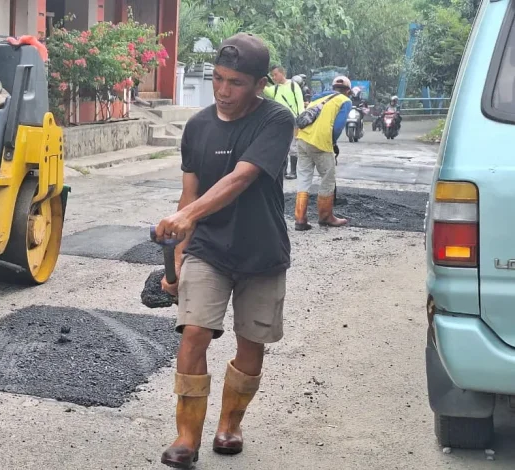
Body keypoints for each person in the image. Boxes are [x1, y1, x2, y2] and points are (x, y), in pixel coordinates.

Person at [154, 33, 295, 468]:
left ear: (259, 85)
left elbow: (242, 177)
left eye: (235, 82)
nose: (223, 90)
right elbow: (188, 192)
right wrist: (177, 256)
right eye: (217, 79)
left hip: (262, 252)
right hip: (208, 250)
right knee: (194, 334)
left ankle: (230, 424)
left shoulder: (276, 119)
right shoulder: (197, 126)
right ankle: (186, 436)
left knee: (251, 345)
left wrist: (188, 215)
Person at [294, 75, 353, 231]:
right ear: (348, 91)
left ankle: (300, 218)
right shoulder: (344, 101)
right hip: (320, 142)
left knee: (304, 178)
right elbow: (338, 126)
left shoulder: (318, 97)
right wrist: (332, 143)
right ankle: (326, 217)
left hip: (302, 138)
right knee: (328, 178)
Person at [263, 65, 305, 180]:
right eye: (272, 75)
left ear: (282, 73)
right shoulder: (276, 89)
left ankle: (293, 171)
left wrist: (300, 119)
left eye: (275, 74)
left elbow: (300, 102)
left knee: (293, 147)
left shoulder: (293, 85)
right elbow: (264, 89)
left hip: (293, 121)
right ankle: (283, 171)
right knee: (281, 147)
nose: (274, 77)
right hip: (279, 122)